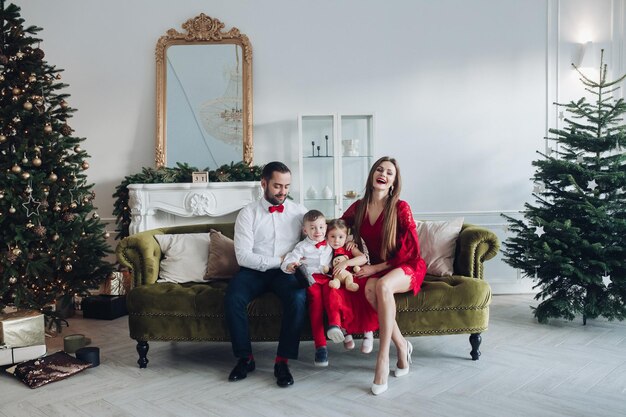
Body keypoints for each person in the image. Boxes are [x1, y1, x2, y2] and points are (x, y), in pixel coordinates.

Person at [341, 156, 426, 395]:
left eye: (390, 173)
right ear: (372, 175)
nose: (384, 174)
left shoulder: (400, 208)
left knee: (383, 286)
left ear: (394, 182)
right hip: (377, 266)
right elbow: (336, 225)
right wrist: (345, 237)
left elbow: (411, 251)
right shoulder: (358, 207)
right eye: (380, 169)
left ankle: (382, 358)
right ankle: (403, 345)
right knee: (371, 288)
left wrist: (375, 269)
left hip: (405, 265)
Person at [224, 161, 308, 388]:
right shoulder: (247, 214)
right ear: (264, 183)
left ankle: (282, 362)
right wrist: (278, 261)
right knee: (233, 298)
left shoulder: (300, 212)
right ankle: (245, 358)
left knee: (298, 298)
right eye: (277, 186)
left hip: (286, 272)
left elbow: (315, 240)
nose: (283, 192)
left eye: (287, 186)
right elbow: (243, 256)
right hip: (253, 271)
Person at [281, 209, 335, 367]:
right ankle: (321, 347)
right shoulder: (301, 247)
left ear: (325, 227)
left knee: (334, 297)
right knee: (316, 307)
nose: (317, 231)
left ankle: (336, 326)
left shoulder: (330, 242)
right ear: (305, 230)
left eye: (320, 227)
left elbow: (344, 242)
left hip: (330, 279)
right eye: (312, 228)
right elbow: (291, 258)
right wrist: (290, 265)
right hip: (312, 281)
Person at [324, 219, 375, 354]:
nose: (336, 240)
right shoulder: (325, 248)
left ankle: (368, 333)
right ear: (326, 236)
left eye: (341, 237)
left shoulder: (349, 246)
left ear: (346, 237)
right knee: (337, 297)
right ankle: (346, 333)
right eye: (332, 236)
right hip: (337, 282)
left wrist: (346, 264)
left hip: (354, 278)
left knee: (361, 295)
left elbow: (363, 258)